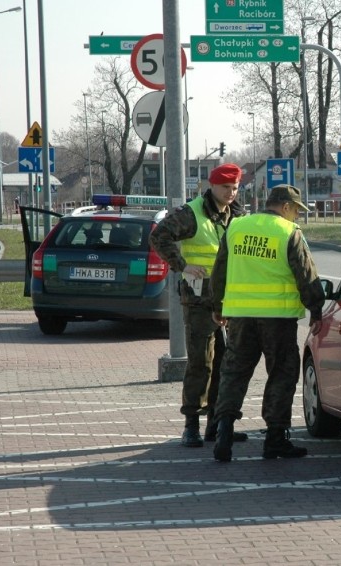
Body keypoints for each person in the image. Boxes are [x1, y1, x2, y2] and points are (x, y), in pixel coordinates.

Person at [210, 184, 326, 462]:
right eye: (296, 210)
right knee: (282, 374)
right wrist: (317, 310)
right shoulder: (288, 232)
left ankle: (223, 430)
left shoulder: (236, 227)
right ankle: (276, 438)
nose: (297, 216)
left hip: (239, 317)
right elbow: (306, 275)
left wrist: (218, 307)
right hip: (278, 319)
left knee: (234, 372)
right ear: (285, 206)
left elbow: (219, 271)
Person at [149, 163, 248, 447]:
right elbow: (159, 236)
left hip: (229, 300)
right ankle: (191, 424)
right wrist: (182, 265)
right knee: (201, 363)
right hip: (199, 299)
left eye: (235, 188)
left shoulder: (238, 215)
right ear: (212, 186)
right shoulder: (192, 213)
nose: (231, 193)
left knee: (225, 364)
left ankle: (216, 426)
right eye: (225, 188)